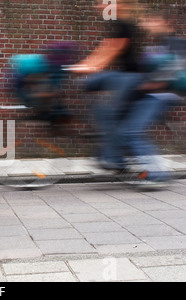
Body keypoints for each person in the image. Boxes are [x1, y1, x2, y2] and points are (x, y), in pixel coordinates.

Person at [72, 0, 177, 183]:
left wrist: (90, 66)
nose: (99, 6)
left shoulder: (124, 24)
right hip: (125, 77)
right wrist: (86, 65)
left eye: (104, 3)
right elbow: (105, 49)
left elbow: (111, 49)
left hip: (129, 79)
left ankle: (114, 158)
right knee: (91, 91)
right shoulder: (119, 24)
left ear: (117, 4)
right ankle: (112, 156)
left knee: (113, 115)